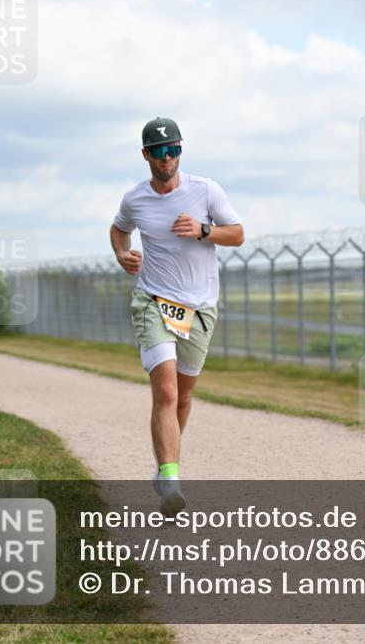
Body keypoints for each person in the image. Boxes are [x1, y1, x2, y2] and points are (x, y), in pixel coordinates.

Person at [110, 117, 244, 516]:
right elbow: (119, 229)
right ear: (146, 155)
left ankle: (163, 463)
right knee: (166, 392)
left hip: (199, 307)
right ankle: (171, 480)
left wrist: (204, 230)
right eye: (160, 152)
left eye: (174, 150)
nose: (167, 158)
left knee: (183, 397)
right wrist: (122, 254)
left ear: (180, 151)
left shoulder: (206, 190)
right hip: (154, 300)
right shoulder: (135, 199)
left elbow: (237, 234)